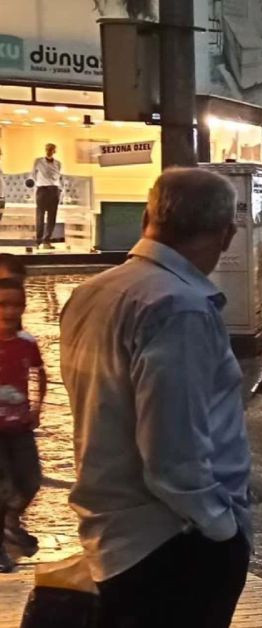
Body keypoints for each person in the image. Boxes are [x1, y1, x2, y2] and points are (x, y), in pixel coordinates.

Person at [60, 168, 250, 627]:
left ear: (148, 218)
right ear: (226, 236)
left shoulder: (91, 292)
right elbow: (172, 452)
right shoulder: (179, 308)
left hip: (114, 538)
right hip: (173, 544)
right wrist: (222, 529)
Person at [0, 277, 46, 573]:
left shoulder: (27, 343)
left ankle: (9, 521)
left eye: (17, 304)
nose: (10, 310)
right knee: (2, 486)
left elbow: (40, 374)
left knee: (30, 480)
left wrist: (37, 407)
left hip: (20, 426)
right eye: (3, 304)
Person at [31, 143, 63, 250]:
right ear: (45, 150)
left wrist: (59, 189)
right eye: (48, 149)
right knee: (40, 216)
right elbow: (33, 175)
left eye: (52, 149)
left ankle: (47, 240)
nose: (49, 151)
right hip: (42, 189)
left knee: (52, 217)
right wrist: (40, 184)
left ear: (54, 151)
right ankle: (38, 240)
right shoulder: (38, 161)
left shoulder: (58, 163)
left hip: (54, 190)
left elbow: (59, 177)